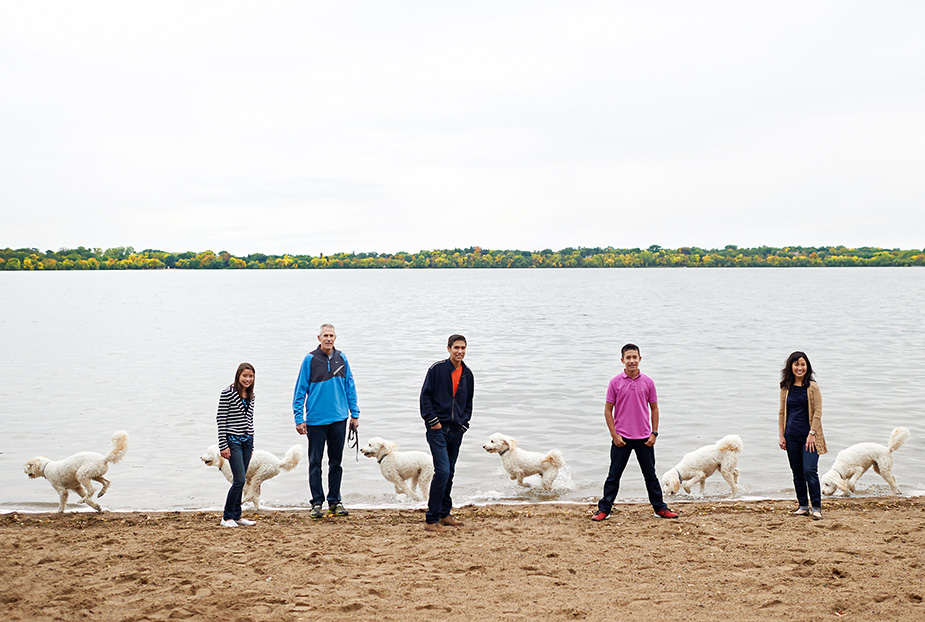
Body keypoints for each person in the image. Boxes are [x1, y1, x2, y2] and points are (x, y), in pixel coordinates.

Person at [592, 344, 678, 521]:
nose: (631, 360)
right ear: (622, 360)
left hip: (644, 438)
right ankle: (604, 510)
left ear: (640, 359)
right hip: (621, 438)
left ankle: (660, 508)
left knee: (651, 476)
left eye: (634, 357)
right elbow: (608, 410)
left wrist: (654, 433)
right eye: (628, 357)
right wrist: (614, 435)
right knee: (613, 477)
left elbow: (654, 409)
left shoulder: (648, 382)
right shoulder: (615, 382)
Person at [293, 324, 360, 519]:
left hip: (339, 418)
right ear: (319, 338)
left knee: (336, 462)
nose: (328, 339)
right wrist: (299, 418)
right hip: (315, 420)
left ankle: (335, 501)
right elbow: (300, 391)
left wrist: (354, 414)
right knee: (315, 462)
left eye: (331, 336)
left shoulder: (342, 358)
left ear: (335, 338)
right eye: (325, 336)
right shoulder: (310, 359)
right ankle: (316, 502)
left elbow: (350, 386)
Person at [420, 334, 474, 533]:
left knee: (449, 472)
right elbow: (425, 397)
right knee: (442, 471)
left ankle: (444, 514)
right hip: (437, 430)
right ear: (448, 348)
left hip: (456, 430)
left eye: (463, 348)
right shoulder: (437, 370)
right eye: (456, 348)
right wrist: (433, 422)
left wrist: (464, 423)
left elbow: (468, 402)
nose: (460, 351)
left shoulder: (467, 373)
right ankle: (431, 519)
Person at [778, 351, 827, 520]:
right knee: (797, 472)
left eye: (803, 364)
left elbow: (818, 412)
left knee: (810, 471)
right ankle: (803, 505)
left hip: (810, 437)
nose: (800, 368)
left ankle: (817, 507)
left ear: (807, 367)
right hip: (791, 436)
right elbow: (781, 412)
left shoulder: (812, 387)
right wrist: (781, 436)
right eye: (796, 364)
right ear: (790, 366)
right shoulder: (785, 386)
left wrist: (812, 433)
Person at [216, 362, 257, 528]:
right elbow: (221, 419)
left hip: (247, 440)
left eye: (250, 376)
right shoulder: (228, 393)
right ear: (238, 376)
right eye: (244, 376)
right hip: (233, 441)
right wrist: (223, 445)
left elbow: (250, 419)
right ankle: (226, 517)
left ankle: (237, 515)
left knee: (243, 479)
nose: (247, 379)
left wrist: (252, 444)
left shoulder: (251, 395)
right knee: (238, 479)